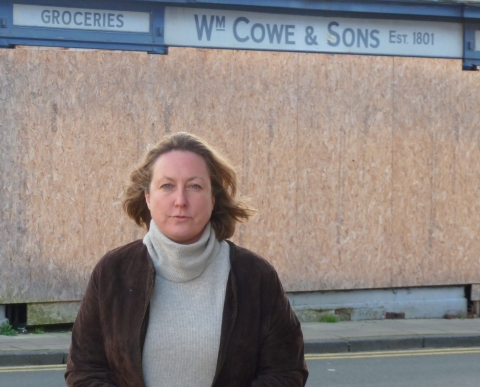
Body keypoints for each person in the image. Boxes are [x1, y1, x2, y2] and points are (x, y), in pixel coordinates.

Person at [65, 132, 308, 387]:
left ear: (213, 199)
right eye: (167, 186)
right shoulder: (112, 272)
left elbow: (287, 372)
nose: (180, 201)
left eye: (194, 186)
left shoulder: (255, 276)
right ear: (148, 197)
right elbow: (84, 371)